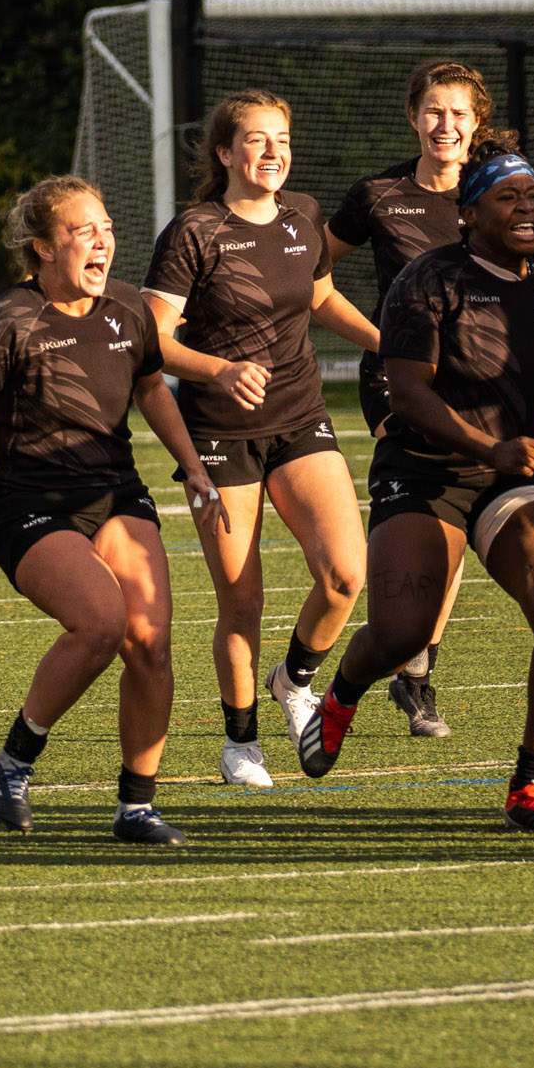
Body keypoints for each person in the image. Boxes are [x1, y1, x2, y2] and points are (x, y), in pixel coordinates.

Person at [294, 143, 534, 834]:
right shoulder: (426, 278)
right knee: (400, 632)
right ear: (469, 212)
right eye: (509, 197)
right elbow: (407, 392)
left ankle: (531, 783)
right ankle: (344, 691)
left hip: (515, 476)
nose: (528, 207)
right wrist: (488, 447)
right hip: (424, 468)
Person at [0, 177, 225, 844]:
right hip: (28, 503)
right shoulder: (7, 321)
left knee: (149, 643)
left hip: (114, 492)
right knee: (100, 622)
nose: (101, 241)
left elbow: (152, 391)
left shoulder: (128, 309)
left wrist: (194, 467)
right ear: (40, 248)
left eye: (106, 228)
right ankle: (14, 762)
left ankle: (136, 807)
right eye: (81, 230)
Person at [327, 59, 534, 738]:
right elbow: (308, 280)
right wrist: (379, 335)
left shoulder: (508, 193)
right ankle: (413, 665)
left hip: (495, 387)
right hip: (409, 383)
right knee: (441, 510)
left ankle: (415, 663)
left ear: (476, 120)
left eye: (458, 112)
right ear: (412, 116)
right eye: (432, 110)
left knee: (473, 510)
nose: (444, 123)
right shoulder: (378, 195)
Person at [142, 90, 379, 788]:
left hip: (301, 415)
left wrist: (383, 340)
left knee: (344, 574)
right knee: (241, 601)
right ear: (224, 152)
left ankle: (295, 678)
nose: (273, 151)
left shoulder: (304, 214)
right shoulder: (194, 231)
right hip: (220, 434)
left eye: (282, 138)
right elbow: (153, 340)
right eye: (256, 139)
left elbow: (318, 296)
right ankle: (240, 742)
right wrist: (220, 369)